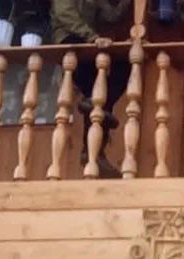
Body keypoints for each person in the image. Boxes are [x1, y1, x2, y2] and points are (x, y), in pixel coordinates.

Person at [52, 0, 132, 176]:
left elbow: (111, 15)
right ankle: (93, 152)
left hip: (89, 43)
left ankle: (93, 152)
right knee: (96, 97)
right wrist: (92, 37)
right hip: (70, 41)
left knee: (122, 65)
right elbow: (65, 14)